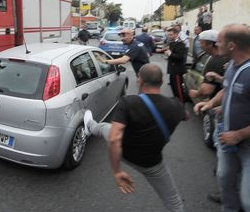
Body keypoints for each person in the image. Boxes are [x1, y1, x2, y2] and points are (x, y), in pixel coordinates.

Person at [194, 24, 250, 212]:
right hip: (229, 141)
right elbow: (228, 89)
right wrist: (211, 104)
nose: (217, 45)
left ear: (232, 45)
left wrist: (238, 135)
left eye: (220, 42)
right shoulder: (233, 65)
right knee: (226, 186)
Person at [83, 63, 186, 212]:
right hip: (152, 164)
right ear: (162, 82)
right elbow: (185, 116)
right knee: (173, 201)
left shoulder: (129, 102)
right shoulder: (176, 106)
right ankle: (91, 126)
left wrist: (117, 171)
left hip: (124, 153)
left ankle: (90, 126)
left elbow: (114, 139)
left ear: (139, 81)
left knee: (107, 129)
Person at [189, 29, 230, 100]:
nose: (200, 45)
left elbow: (206, 91)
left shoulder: (215, 61)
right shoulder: (226, 57)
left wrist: (196, 93)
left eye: (201, 43)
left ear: (210, 45)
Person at [165, 27, 187, 102]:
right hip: (172, 69)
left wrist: (170, 54)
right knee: (173, 87)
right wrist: (169, 54)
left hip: (177, 70)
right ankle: (176, 101)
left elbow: (180, 57)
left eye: (171, 35)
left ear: (176, 34)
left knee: (178, 89)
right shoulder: (172, 43)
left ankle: (181, 104)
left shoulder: (180, 44)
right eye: (168, 35)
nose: (169, 36)